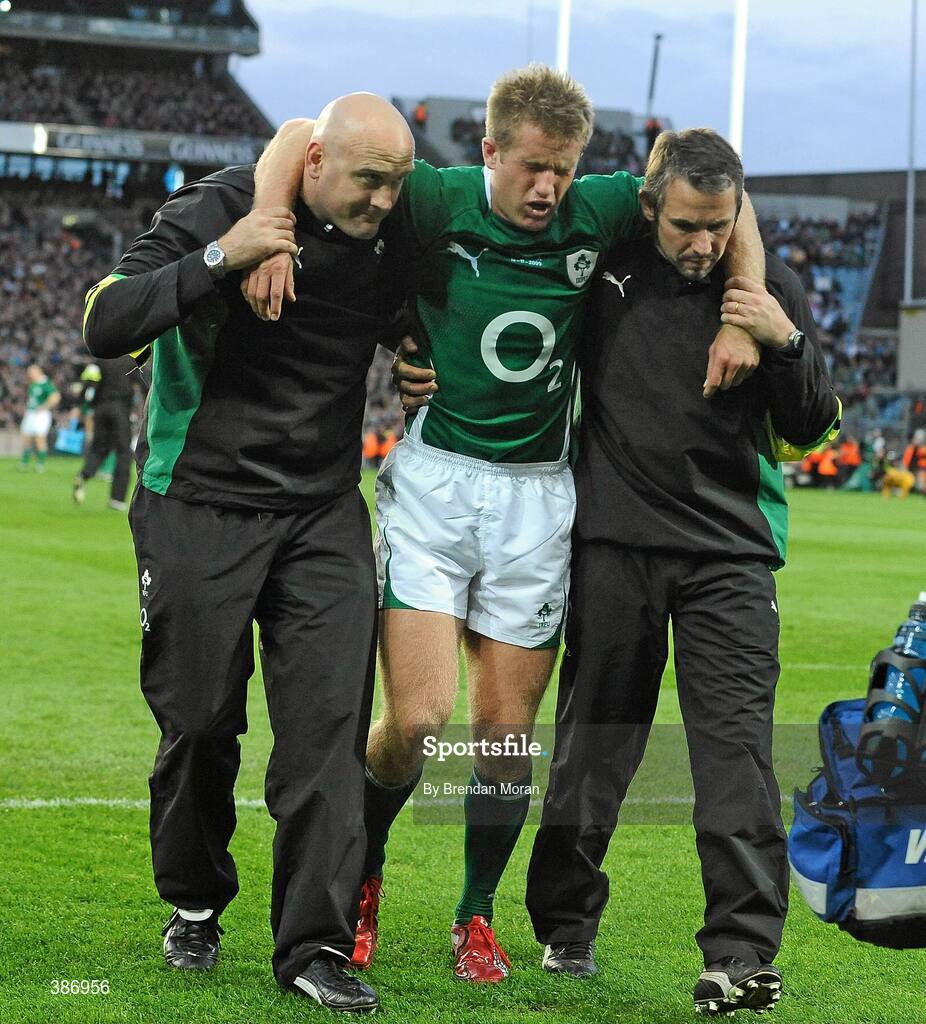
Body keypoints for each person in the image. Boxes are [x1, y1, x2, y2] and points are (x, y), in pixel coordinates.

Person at [249, 64, 765, 983]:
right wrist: (269, 228)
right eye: (531, 166)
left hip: (540, 497)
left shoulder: (600, 209)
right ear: (488, 151)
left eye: (564, 169)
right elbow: (298, 135)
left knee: (502, 738)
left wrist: (744, 312)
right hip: (438, 487)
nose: (547, 189)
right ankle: (362, 879)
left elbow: (732, 194)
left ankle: (474, 917)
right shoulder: (437, 198)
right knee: (417, 722)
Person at [82, 92, 415, 1014]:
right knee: (198, 719)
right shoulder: (220, 206)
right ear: (313, 162)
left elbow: (405, 312)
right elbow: (107, 324)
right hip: (198, 500)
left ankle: (313, 943)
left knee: (327, 733)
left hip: (321, 512)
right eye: (369, 179)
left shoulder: (393, 229)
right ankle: (194, 898)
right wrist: (232, 254)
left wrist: (418, 348)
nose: (386, 200)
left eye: (399, 181)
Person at [522, 129, 840, 1016]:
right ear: (652, 204)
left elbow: (812, 425)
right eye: (685, 226)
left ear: (739, 216)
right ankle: (565, 925)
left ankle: (740, 955)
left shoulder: (768, 289)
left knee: (735, 751)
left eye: (719, 226)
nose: (702, 244)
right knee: (595, 748)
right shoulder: (608, 260)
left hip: (731, 555)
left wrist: (779, 338)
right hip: (614, 544)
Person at [72, 355, 143, 510]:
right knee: (124, 452)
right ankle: (117, 499)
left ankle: (84, 474)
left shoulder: (101, 360)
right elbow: (143, 384)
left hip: (100, 409)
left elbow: (89, 384)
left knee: (99, 447)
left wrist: (82, 405)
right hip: (120, 410)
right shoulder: (131, 361)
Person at [19, 364, 60, 472]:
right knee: (26, 438)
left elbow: (55, 397)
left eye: (31, 371)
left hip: (41, 415)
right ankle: (24, 463)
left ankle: (40, 464)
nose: (29, 374)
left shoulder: (45, 383)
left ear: (38, 371)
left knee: (39, 438)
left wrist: (45, 406)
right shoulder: (32, 383)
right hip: (30, 413)